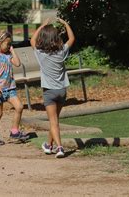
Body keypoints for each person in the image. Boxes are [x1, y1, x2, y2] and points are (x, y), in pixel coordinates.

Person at [30, 18, 75, 158]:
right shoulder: (61, 52)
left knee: (53, 121)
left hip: (49, 92)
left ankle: (60, 148)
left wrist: (42, 26)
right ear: (56, 38)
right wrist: (66, 23)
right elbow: (72, 38)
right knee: (54, 120)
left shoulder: (40, 53)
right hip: (62, 91)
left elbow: (32, 40)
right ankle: (48, 145)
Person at [0, 30, 28, 145]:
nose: (9, 46)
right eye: (7, 44)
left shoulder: (8, 55)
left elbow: (18, 63)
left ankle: (14, 131)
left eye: (10, 44)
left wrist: (12, 50)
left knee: (19, 107)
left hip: (10, 89)